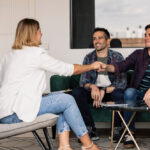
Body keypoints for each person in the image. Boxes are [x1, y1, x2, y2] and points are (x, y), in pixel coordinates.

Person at [0, 18, 101, 150]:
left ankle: (64, 146)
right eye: (39, 31)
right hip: (15, 114)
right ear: (33, 33)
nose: (41, 34)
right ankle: (89, 146)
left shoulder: (9, 55)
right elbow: (69, 69)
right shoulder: (35, 53)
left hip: (4, 112)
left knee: (60, 98)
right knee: (67, 100)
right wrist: (92, 66)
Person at [71, 28, 127, 142]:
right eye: (94, 38)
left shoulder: (117, 57)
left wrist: (104, 90)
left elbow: (122, 82)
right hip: (93, 93)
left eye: (100, 38)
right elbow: (83, 82)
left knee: (120, 94)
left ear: (108, 41)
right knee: (77, 92)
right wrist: (93, 87)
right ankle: (90, 129)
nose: (96, 41)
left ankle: (115, 129)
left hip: (110, 93)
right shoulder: (88, 58)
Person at [100, 24, 150, 149]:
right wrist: (107, 67)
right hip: (137, 96)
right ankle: (129, 133)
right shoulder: (139, 55)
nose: (146, 38)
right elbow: (122, 65)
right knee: (129, 92)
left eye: (149, 35)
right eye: (145, 35)